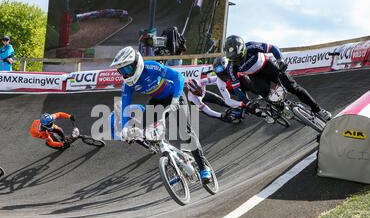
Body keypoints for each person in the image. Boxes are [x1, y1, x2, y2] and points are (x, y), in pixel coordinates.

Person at [110, 46, 213, 184]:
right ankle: (175, 163)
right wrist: (125, 128)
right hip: (157, 101)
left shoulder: (151, 67)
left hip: (174, 96)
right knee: (144, 130)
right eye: (121, 71)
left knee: (185, 132)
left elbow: (178, 77)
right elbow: (125, 108)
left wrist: (176, 98)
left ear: (137, 64)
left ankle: (203, 167)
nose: (125, 74)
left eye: (127, 69)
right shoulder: (128, 85)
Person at [223, 35, 332, 121]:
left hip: (268, 66)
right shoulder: (231, 67)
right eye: (234, 60)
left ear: (243, 50)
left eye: (238, 58)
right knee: (264, 93)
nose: (237, 62)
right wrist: (247, 102)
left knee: (292, 87)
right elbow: (237, 88)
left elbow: (272, 48)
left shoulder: (251, 46)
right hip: (256, 76)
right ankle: (282, 107)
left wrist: (280, 60)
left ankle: (318, 110)